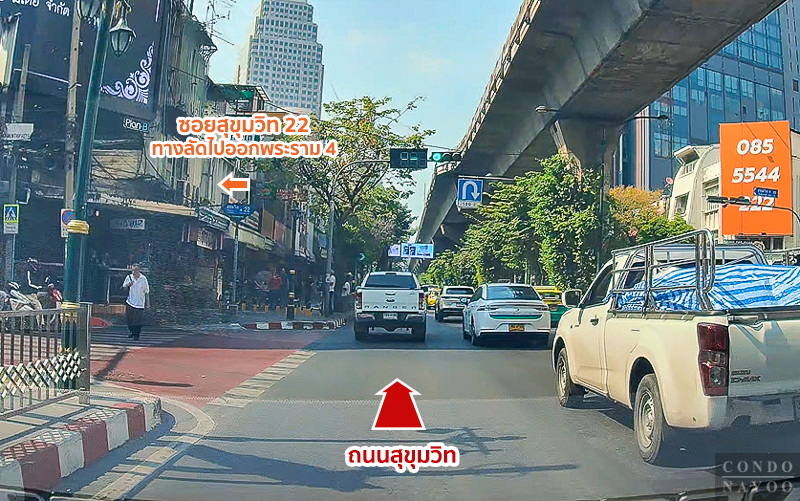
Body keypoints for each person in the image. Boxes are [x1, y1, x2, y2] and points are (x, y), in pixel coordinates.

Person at [122, 264, 150, 341]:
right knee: (129, 319)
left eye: (136, 270)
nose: (134, 272)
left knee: (138, 320)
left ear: (139, 270)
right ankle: (132, 331)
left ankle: (136, 334)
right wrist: (128, 285)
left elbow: (147, 291)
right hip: (130, 301)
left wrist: (147, 303)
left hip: (140, 303)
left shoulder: (143, 278)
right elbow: (124, 288)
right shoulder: (129, 277)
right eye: (133, 270)